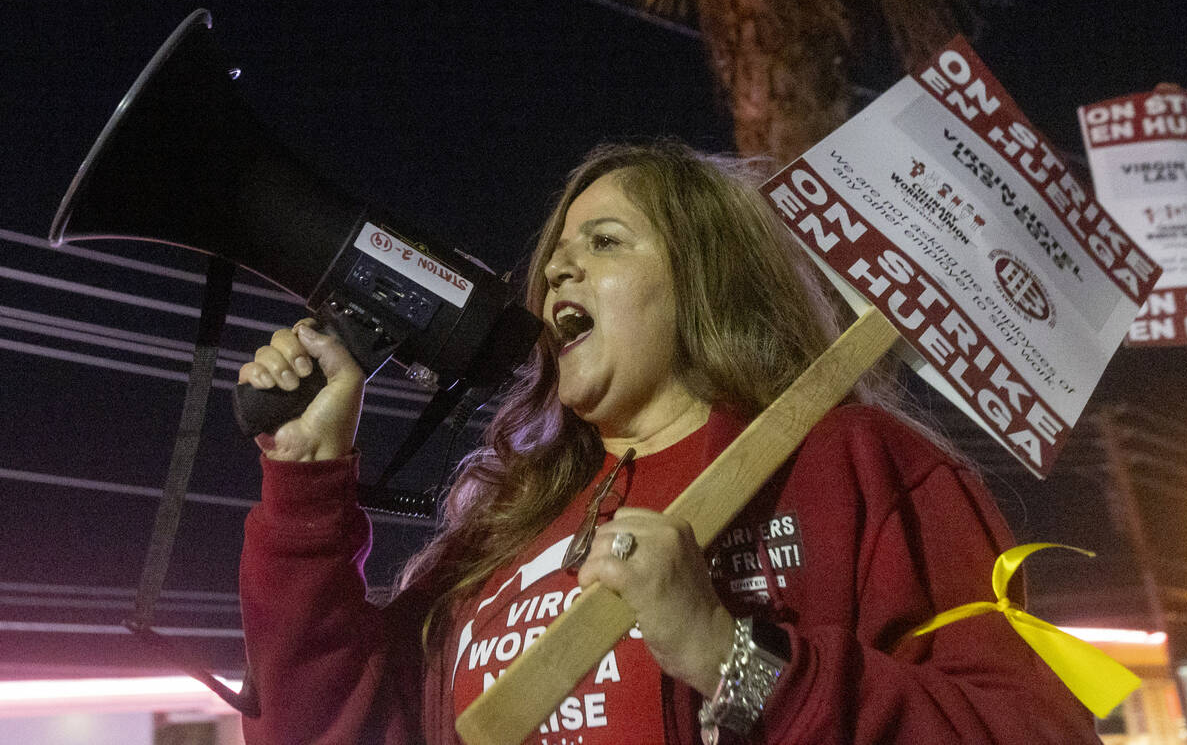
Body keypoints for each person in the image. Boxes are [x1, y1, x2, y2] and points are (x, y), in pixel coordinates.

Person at [237, 141, 1101, 743]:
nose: (556, 271)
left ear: (703, 280)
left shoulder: (855, 465)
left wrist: (735, 657)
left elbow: (1032, 732)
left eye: (604, 242)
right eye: (555, 255)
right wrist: (306, 485)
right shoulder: (501, 531)